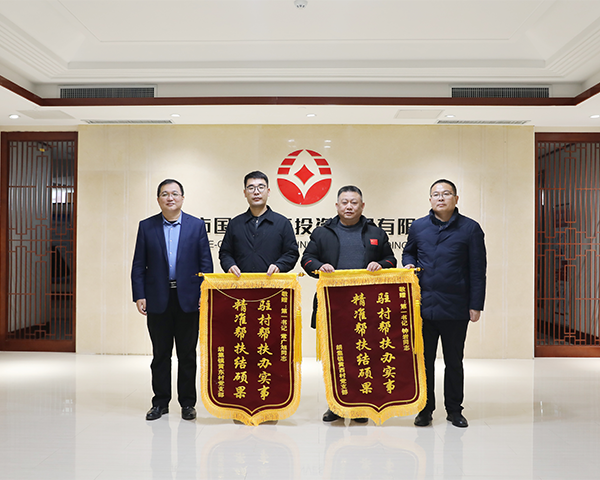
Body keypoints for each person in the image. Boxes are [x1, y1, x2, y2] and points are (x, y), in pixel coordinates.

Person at [301, 185, 397, 423]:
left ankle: (360, 405)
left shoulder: (376, 232)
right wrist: (319, 266)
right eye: (344, 202)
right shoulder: (322, 233)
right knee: (335, 356)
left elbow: (391, 259)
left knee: (363, 354)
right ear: (337, 205)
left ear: (362, 206)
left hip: (366, 306)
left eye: (354, 202)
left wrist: (381, 265)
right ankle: (335, 405)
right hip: (332, 306)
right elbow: (307, 259)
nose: (349, 206)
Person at [402, 179, 486, 428]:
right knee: (424, 361)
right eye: (436, 194)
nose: (441, 198)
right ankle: (425, 409)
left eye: (446, 193)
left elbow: (478, 270)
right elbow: (408, 251)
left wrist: (476, 304)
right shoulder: (418, 226)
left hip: (456, 307)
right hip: (423, 306)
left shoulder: (470, 228)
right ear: (430, 200)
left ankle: (454, 410)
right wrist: (408, 263)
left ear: (456, 199)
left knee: (454, 362)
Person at [131, 179, 213, 421]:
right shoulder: (146, 226)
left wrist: (204, 294)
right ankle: (160, 403)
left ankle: (187, 403)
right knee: (160, 354)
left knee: (187, 354)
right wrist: (139, 294)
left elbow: (206, 264)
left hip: (189, 299)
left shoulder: (196, 226)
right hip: (158, 298)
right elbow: (138, 265)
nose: (170, 198)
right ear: (158, 199)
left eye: (175, 194)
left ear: (182, 198)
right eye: (165, 194)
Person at [219, 170, 299, 276]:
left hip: (273, 283)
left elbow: (291, 253)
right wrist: (230, 265)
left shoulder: (282, 223)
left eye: (261, 187)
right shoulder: (235, 224)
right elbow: (225, 253)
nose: (256, 192)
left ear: (268, 191)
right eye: (251, 188)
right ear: (245, 193)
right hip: (241, 283)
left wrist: (279, 266)